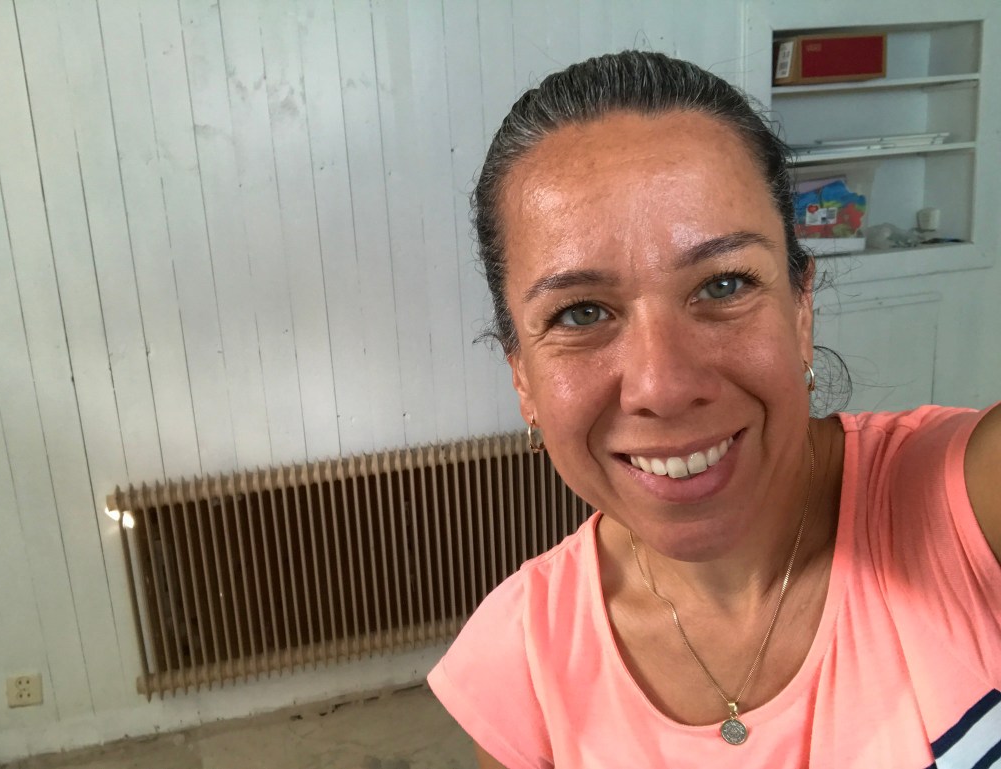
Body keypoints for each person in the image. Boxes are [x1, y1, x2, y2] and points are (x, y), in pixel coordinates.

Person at [426, 51, 1001, 767]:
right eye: (581, 313)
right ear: (522, 376)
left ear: (800, 310)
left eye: (724, 284)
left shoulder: (963, 507)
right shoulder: (522, 667)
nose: (664, 386)